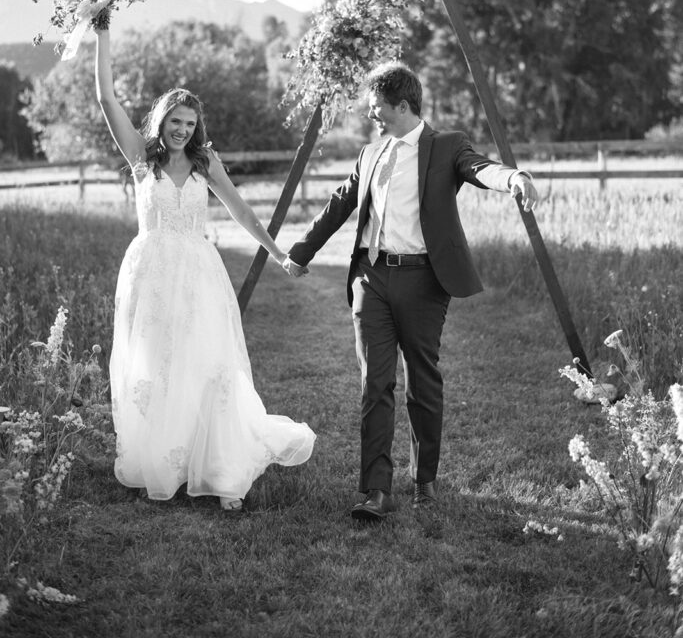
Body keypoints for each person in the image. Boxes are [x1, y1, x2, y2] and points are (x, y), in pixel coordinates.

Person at [283, 62, 537, 522]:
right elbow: (340, 202)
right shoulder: (370, 153)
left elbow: (481, 169)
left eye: (376, 108)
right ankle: (374, 490)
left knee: (422, 379)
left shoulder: (446, 146)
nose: (370, 116)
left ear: (401, 105)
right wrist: (302, 251)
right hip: (370, 278)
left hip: (423, 280)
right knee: (374, 383)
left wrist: (513, 178)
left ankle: (425, 481)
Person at [95, 26, 315, 512]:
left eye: (190, 124)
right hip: (150, 274)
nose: (182, 130)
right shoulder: (140, 158)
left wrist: (278, 253)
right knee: (156, 366)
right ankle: (163, 461)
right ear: (161, 120)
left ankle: (220, 467)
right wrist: (103, 26)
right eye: (176, 121)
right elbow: (106, 95)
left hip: (197, 274)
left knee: (208, 365)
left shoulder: (204, 162)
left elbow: (241, 210)